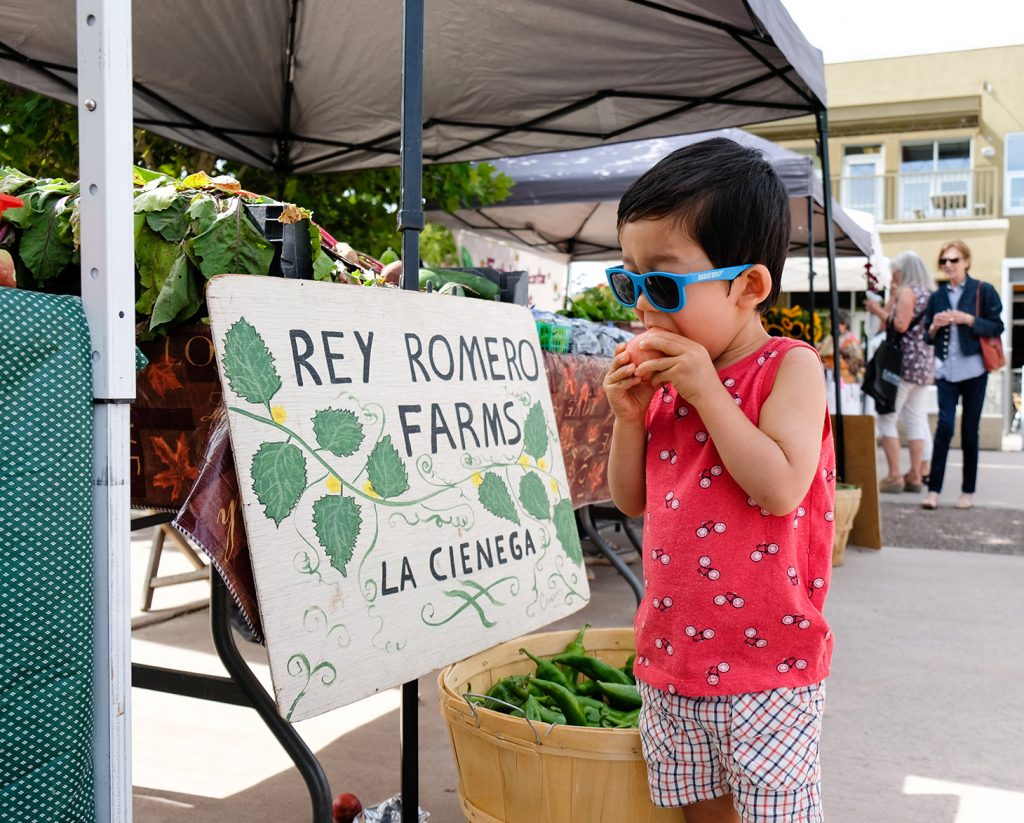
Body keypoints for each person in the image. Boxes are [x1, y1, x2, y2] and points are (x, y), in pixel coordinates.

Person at [603, 138, 834, 823]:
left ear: (748, 287)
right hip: (674, 661)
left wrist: (710, 393)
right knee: (702, 815)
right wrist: (628, 417)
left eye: (664, 283)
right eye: (629, 280)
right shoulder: (674, 377)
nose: (643, 305)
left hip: (772, 668)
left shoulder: (789, 368)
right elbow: (630, 499)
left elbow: (781, 486)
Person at [921, 240, 1004, 510]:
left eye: (954, 260)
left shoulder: (983, 290)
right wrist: (934, 326)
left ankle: (967, 491)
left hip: (974, 369)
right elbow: (927, 336)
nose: (948, 266)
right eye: (944, 261)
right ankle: (933, 490)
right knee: (944, 427)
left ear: (966, 262)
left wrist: (968, 319)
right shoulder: (937, 296)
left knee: (970, 431)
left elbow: (997, 326)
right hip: (946, 370)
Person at [864, 252, 936, 493]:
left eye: (895, 271)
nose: (893, 276)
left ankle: (894, 475)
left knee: (887, 417)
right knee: (915, 418)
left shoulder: (909, 292)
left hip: (902, 364)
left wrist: (877, 310)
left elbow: (899, 325)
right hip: (924, 364)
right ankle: (915, 476)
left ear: (904, 271)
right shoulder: (932, 294)